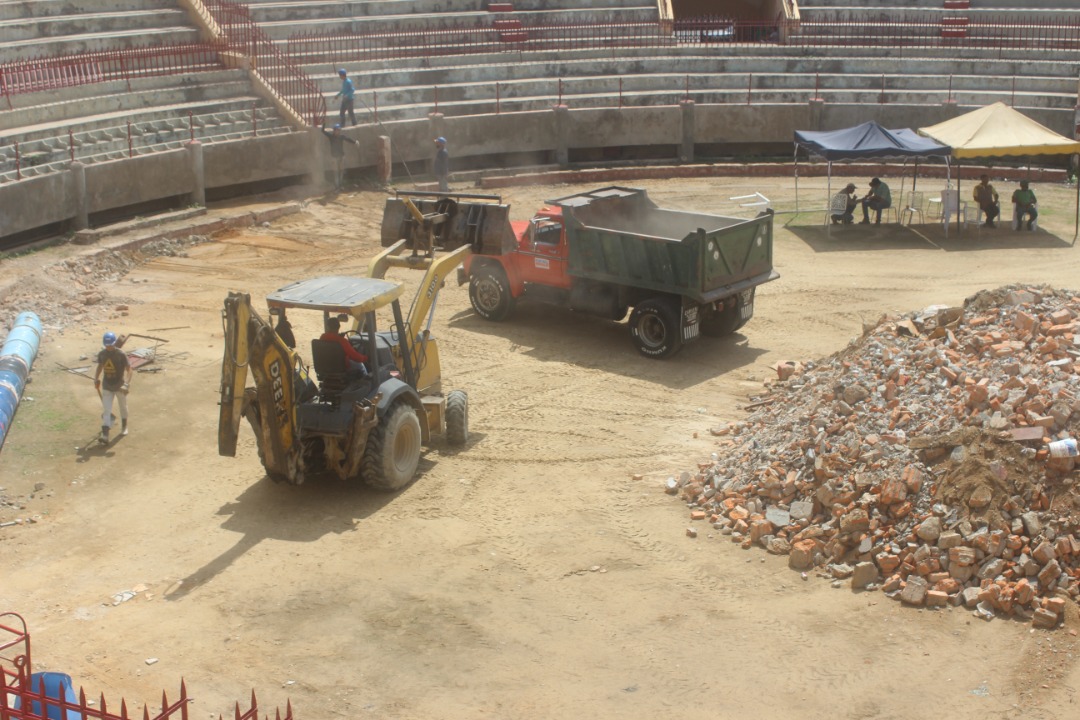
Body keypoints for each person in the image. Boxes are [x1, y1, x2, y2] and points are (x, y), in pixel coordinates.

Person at [93, 331, 132, 444]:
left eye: (110, 345)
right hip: (107, 385)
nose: (109, 347)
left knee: (123, 407)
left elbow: (129, 369)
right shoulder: (102, 354)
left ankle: (124, 426)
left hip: (120, 386)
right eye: (107, 345)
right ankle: (105, 435)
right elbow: (100, 366)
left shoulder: (121, 354)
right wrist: (96, 378)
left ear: (114, 343)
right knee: (107, 410)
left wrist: (126, 384)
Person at [322, 124, 359, 190]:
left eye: (338, 130)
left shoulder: (341, 137)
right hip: (334, 157)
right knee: (336, 172)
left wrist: (355, 142)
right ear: (334, 131)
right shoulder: (331, 137)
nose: (337, 132)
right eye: (336, 130)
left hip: (341, 157)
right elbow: (323, 131)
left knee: (341, 171)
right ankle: (337, 186)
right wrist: (324, 124)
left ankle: (340, 185)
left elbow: (348, 139)